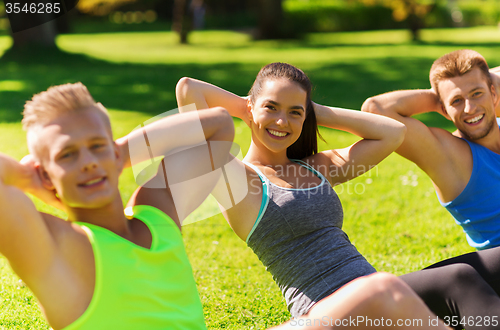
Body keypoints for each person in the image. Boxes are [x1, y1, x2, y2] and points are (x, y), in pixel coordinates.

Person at [176, 62, 500, 330]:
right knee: (424, 283)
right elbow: (189, 90)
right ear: (251, 108)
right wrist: (249, 107)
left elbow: (391, 132)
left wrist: (315, 111)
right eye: (271, 108)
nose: (280, 121)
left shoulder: (317, 168)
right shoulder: (238, 179)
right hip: (329, 311)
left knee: (473, 272)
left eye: (294, 113)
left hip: (376, 293)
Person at [0, 82, 236, 329]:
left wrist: (117, 153)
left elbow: (218, 125)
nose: (89, 162)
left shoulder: (158, 214)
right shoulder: (58, 248)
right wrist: (30, 178)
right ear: (46, 175)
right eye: (67, 154)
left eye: (96, 146)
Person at [361, 49, 500, 251]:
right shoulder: (450, 156)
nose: (469, 108)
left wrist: (483, 79)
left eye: (477, 93)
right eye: (457, 101)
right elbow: (375, 109)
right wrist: (439, 97)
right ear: (443, 109)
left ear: (493, 92)